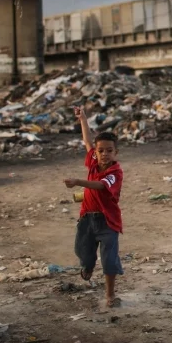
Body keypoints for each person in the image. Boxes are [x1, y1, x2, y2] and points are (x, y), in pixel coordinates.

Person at [64, 106, 125, 308]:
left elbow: (100, 186)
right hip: (87, 218)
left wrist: (78, 182)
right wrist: (83, 119)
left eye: (109, 151)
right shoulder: (93, 162)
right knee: (83, 251)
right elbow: (88, 141)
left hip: (107, 221)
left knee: (109, 260)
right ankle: (87, 265)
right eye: (101, 151)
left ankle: (110, 295)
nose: (104, 154)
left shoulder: (115, 172)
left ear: (116, 153)